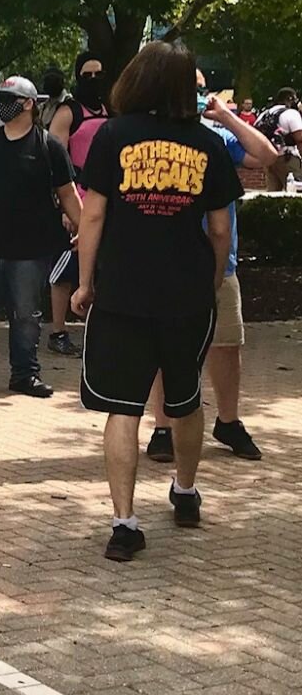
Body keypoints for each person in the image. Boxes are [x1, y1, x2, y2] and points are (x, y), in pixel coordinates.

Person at [71, 42, 242, 562]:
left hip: (123, 288)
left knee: (123, 408)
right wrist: (210, 283)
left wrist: (84, 283)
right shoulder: (207, 143)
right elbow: (219, 229)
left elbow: (93, 216)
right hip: (186, 291)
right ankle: (185, 492)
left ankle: (124, 523)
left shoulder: (112, 136)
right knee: (185, 399)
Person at [146, 90, 277, 463]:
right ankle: (163, 426)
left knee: (226, 345)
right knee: (163, 348)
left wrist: (228, 118)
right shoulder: (151, 137)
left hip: (221, 265)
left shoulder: (216, 138)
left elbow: (266, 156)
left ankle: (228, 421)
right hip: (167, 262)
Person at [0, 77, 80, 399]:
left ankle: (24, 375)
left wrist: (83, 229)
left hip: (31, 250)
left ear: (29, 104)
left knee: (26, 314)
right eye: (0, 97)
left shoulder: (49, 147)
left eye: (9, 98)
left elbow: (68, 194)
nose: (2, 102)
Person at [45, 52, 110, 356]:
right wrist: (63, 206)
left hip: (105, 199)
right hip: (74, 197)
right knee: (65, 269)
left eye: (99, 73)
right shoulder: (68, 112)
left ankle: (98, 329)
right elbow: (53, 161)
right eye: (88, 74)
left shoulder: (112, 110)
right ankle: (58, 331)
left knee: (101, 267)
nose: (94, 79)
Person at [257, 88, 302, 189]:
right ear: (289, 99)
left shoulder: (264, 114)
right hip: (288, 158)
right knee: (295, 192)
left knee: (273, 195)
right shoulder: (291, 113)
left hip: (269, 159)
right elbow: (299, 138)